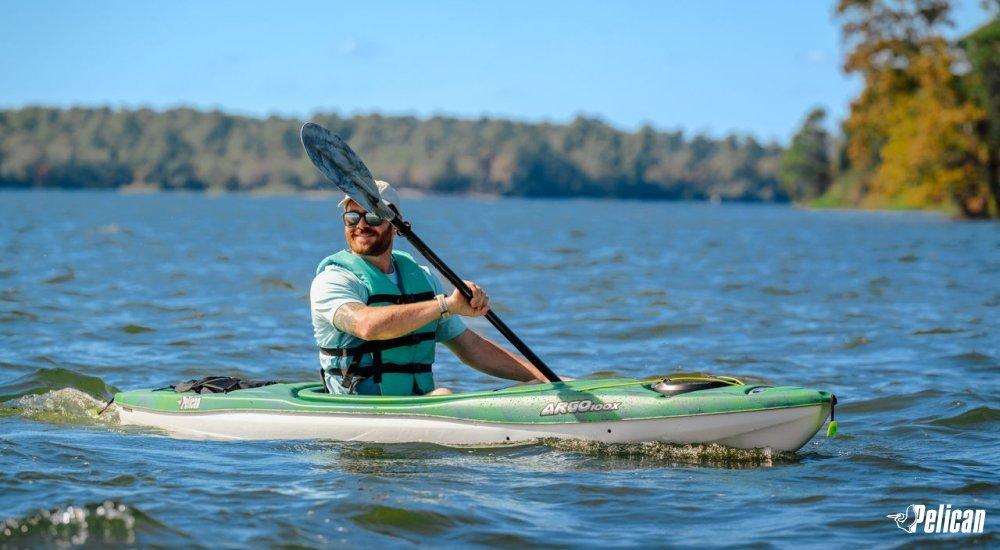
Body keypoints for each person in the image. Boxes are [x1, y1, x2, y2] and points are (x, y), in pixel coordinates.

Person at [310, 180, 546, 396]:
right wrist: (445, 305)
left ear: (395, 225)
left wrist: (544, 379)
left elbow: (471, 347)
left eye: (372, 217)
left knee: (535, 385)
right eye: (352, 217)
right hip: (358, 406)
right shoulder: (333, 279)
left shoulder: (421, 277)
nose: (361, 225)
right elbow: (367, 326)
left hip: (416, 401)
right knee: (444, 395)